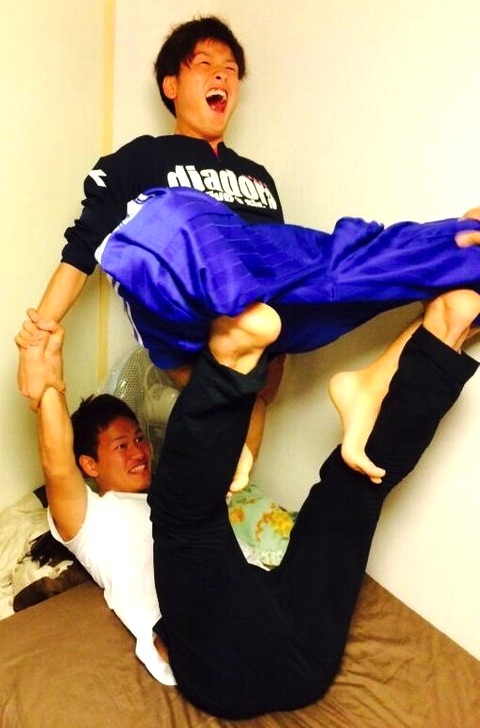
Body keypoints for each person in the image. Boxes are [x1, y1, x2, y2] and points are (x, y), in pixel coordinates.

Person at [16, 15, 480, 480]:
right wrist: (37, 342)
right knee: (179, 215)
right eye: (205, 65)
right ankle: (225, 287)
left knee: (375, 254)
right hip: (183, 301)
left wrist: (258, 412)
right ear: (171, 86)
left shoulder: (258, 179)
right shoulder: (142, 158)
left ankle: (379, 364)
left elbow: (283, 281)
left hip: (254, 301)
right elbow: (82, 249)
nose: (222, 75)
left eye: (231, 70)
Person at [23, 289, 479, 718]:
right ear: (89, 464)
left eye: (140, 438)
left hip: (301, 653)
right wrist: (47, 384)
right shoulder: (87, 519)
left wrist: (265, 378)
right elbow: (56, 461)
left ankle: (443, 334)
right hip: (221, 668)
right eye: (121, 446)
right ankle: (229, 356)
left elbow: (247, 437)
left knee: (352, 489)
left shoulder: (186, 489)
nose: (140, 451)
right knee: (181, 515)